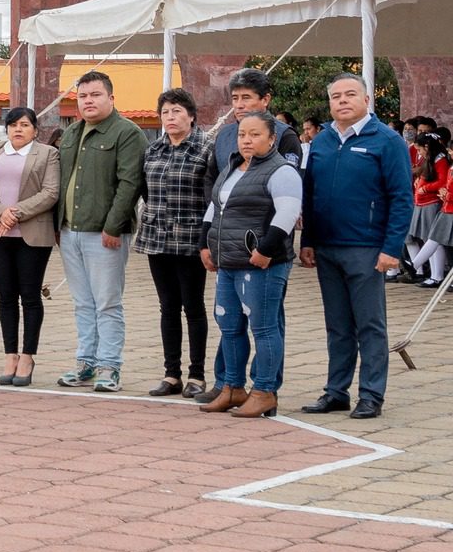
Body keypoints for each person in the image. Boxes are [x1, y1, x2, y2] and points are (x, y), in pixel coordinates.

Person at [300, 72, 413, 420]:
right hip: (327, 246)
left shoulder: (386, 140)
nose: (343, 101)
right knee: (337, 324)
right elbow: (310, 195)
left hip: (366, 247)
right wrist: (307, 241)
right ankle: (336, 391)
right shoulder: (321, 141)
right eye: (336, 96)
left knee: (370, 324)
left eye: (351, 94)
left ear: (367, 100)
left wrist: (391, 247)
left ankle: (371, 395)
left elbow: (401, 198)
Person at [198, 112, 301, 419]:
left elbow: (288, 212)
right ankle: (232, 387)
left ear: (272, 139)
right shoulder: (231, 167)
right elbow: (214, 208)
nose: (247, 140)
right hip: (227, 261)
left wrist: (266, 249)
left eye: (255, 135)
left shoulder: (282, 170)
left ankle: (264, 391)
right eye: (243, 134)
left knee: (264, 328)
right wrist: (205, 244)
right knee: (229, 327)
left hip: (261, 264)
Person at [54, 70, 147, 393]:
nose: (88, 101)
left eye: (95, 95)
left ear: (111, 97)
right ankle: (86, 362)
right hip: (70, 231)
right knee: (82, 302)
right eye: (83, 96)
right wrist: (58, 223)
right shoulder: (71, 133)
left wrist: (114, 226)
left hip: (105, 234)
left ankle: (110, 366)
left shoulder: (127, 133)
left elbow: (130, 183)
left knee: (107, 302)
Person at [136, 88, 216, 400]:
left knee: (193, 306)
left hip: (191, 238)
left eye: (177, 112)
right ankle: (172, 374)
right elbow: (145, 189)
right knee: (167, 306)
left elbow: (211, 194)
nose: (170, 118)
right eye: (166, 112)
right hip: (157, 236)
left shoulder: (205, 149)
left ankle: (197, 374)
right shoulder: (154, 149)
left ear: (192, 116)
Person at [0, 106, 59, 387]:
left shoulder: (48, 154)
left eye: (24, 125)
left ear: (35, 129)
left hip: (32, 236)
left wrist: (15, 213)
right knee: (5, 297)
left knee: (30, 297)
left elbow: (50, 193)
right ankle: (10, 355)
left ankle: (27, 356)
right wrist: (0, 212)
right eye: (13, 125)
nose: (18, 130)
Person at [212, 68, 302, 173]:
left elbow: (289, 181)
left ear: (265, 100)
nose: (239, 105)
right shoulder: (223, 135)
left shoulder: (285, 135)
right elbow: (211, 178)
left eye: (246, 98)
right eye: (235, 98)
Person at [402, 131, 449, 287]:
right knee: (430, 239)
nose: (419, 152)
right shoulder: (431, 159)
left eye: (421, 149)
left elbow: (442, 181)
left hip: (433, 203)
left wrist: (426, 188)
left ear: (427, 146)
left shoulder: (440, 160)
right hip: (424, 203)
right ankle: (431, 274)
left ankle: (435, 274)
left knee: (434, 239)